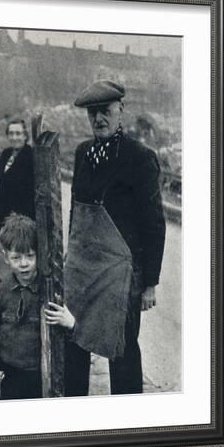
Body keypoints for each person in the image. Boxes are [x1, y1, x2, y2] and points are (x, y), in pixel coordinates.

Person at [64, 80, 166, 396]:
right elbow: (76, 214)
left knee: (121, 350)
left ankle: (127, 419)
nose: (99, 119)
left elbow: (154, 223)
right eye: (93, 113)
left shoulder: (139, 157)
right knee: (75, 339)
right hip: (84, 272)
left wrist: (149, 282)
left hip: (123, 276)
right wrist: (71, 256)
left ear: (120, 110)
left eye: (105, 111)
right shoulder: (83, 153)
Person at [0, 214, 74, 399]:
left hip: (41, 373)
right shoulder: (3, 290)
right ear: (6, 258)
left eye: (30, 256)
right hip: (8, 371)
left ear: (39, 253)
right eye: (16, 257)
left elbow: (72, 336)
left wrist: (70, 323)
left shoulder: (51, 292)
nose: (24, 264)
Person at [0, 119, 36, 272]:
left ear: (25, 135)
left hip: (18, 218)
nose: (14, 137)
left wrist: (15, 219)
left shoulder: (31, 157)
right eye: (11, 133)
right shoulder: (5, 154)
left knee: (16, 255)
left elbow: (30, 192)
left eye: (18, 133)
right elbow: (0, 184)